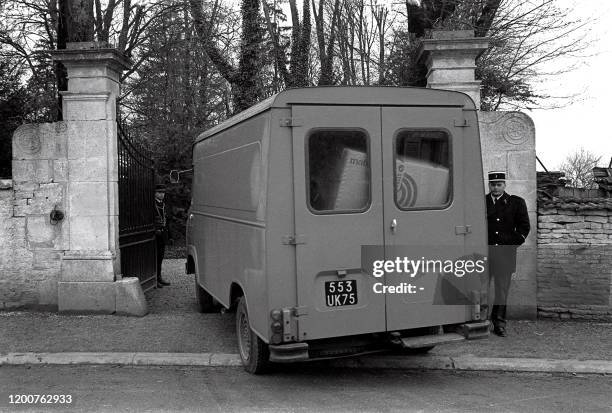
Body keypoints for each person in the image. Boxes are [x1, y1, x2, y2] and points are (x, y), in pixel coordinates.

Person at [485, 171, 530, 337]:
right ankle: (480, 322)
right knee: (481, 289)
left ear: (504, 185)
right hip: (484, 253)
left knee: (502, 291)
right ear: (489, 185)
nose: (496, 188)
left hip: (505, 254)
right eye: (493, 185)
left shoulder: (516, 203)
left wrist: (511, 244)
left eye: (499, 184)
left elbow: (524, 227)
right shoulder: (481, 202)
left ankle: (499, 323)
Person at [154, 183, 171, 287]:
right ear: (155, 193)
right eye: (159, 192)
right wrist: (155, 229)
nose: (162, 194)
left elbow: (168, 222)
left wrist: (170, 236)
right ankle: (154, 279)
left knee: (160, 258)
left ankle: (159, 277)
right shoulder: (152, 205)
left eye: (163, 192)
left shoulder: (164, 205)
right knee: (154, 258)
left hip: (163, 235)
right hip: (155, 235)